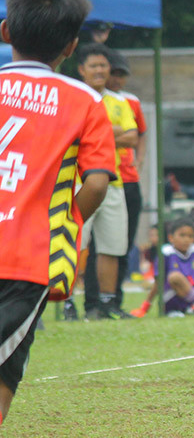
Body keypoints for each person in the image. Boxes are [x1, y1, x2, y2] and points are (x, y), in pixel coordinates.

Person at [0, 0, 115, 424]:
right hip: (28, 261)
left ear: (6, 31)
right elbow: (98, 182)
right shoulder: (85, 100)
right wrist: (69, 221)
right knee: (6, 368)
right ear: (71, 48)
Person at [62, 42, 137, 321]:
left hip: (113, 181)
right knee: (76, 241)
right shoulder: (73, 97)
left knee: (113, 245)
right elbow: (69, 134)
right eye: (93, 65)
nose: (99, 70)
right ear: (81, 69)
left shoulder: (119, 101)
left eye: (103, 65)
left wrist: (95, 133)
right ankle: (68, 302)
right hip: (78, 181)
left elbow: (131, 136)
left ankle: (106, 305)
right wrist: (109, 131)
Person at [106, 50, 146, 310]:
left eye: (122, 74)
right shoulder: (90, 97)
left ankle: (114, 299)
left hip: (127, 178)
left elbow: (138, 134)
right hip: (103, 176)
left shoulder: (129, 101)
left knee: (122, 243)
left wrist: (139, 161)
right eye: (114, 73)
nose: (118, 79)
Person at [132, 217, 194, 317]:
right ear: (171, 237)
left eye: (190, 236)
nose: (186, 239)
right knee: (175, 276)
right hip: (176, 297)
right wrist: (146, 305)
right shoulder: (165, 253)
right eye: (182, 235)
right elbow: (158, 282)